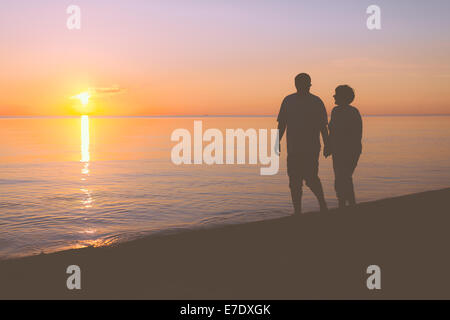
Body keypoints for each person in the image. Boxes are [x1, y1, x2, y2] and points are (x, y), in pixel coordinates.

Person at [277, 73, 330, 214]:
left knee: (311, 179)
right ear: (295, 84)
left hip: (311, 148)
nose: (301, 86)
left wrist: (327, 144)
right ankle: (297, 211)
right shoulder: (288, 100)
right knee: (294, 182)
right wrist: (277, 142)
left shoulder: (316, 101)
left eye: (304, 83)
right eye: (298, 83)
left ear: (309, 84)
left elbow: (323, 127)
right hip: (294, 149)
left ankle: (322, 204)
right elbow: (282, 124)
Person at [327, 85, 362, 208]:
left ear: (343, 97)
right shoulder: (335, 111)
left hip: (349, 151)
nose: (334, 96)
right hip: (338, 150)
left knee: (343, 178)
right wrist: (329, 147)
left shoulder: (353, 112)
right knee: (342, 178)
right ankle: (344, 203)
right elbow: (332, 131)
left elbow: (356, 134)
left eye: (336, 94)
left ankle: (348, 204)